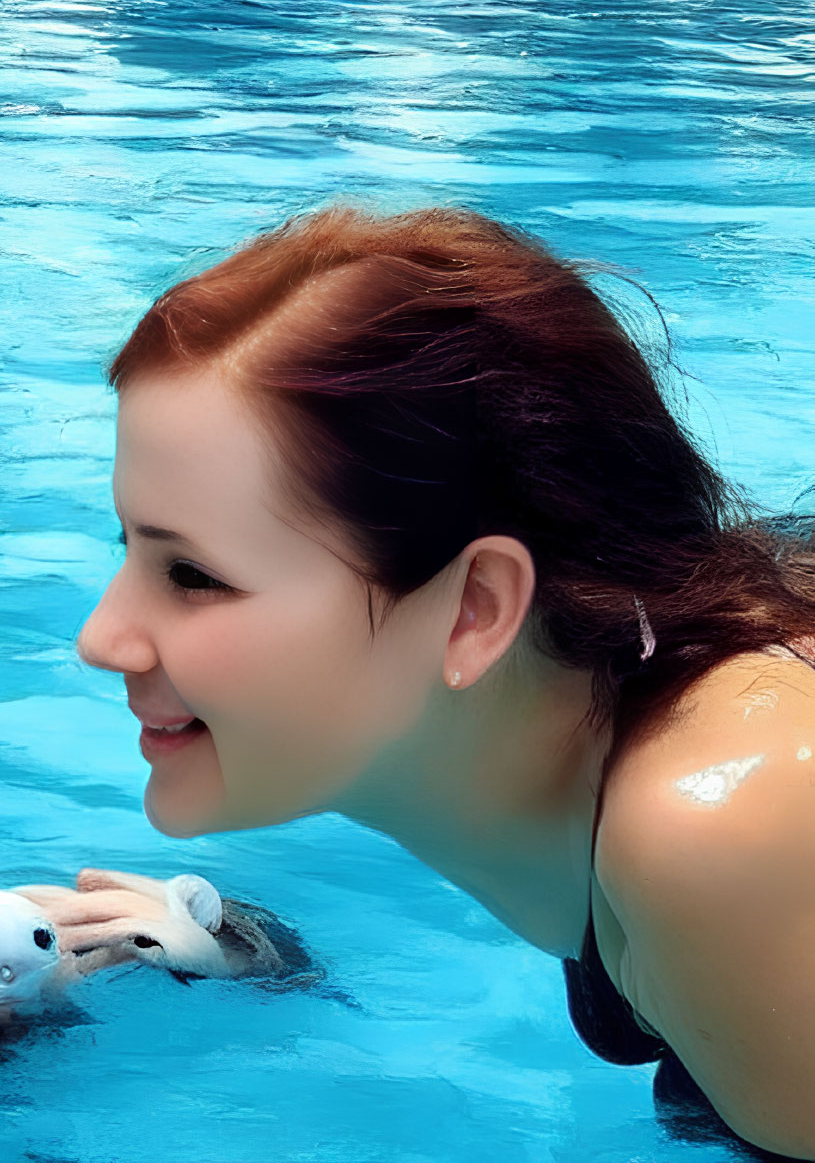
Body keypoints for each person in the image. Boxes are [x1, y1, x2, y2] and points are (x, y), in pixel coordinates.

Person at [51, 205, 815, 1159]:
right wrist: (234, 947)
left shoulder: (725, 825)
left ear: (473, 610)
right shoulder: (589, 740)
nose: (100, 638)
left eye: (195, 575)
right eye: (128, 548)